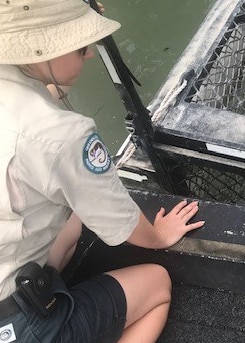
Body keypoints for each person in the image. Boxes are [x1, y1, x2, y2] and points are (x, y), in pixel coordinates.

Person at [0, 0, 205, 342]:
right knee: (156, 285)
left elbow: (44, 90)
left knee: (73, 217)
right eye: (81, 46)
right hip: (18, 326)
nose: (91, 54)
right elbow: (119, 221)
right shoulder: (63, 134)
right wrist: (159, 236)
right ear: (42, 52)